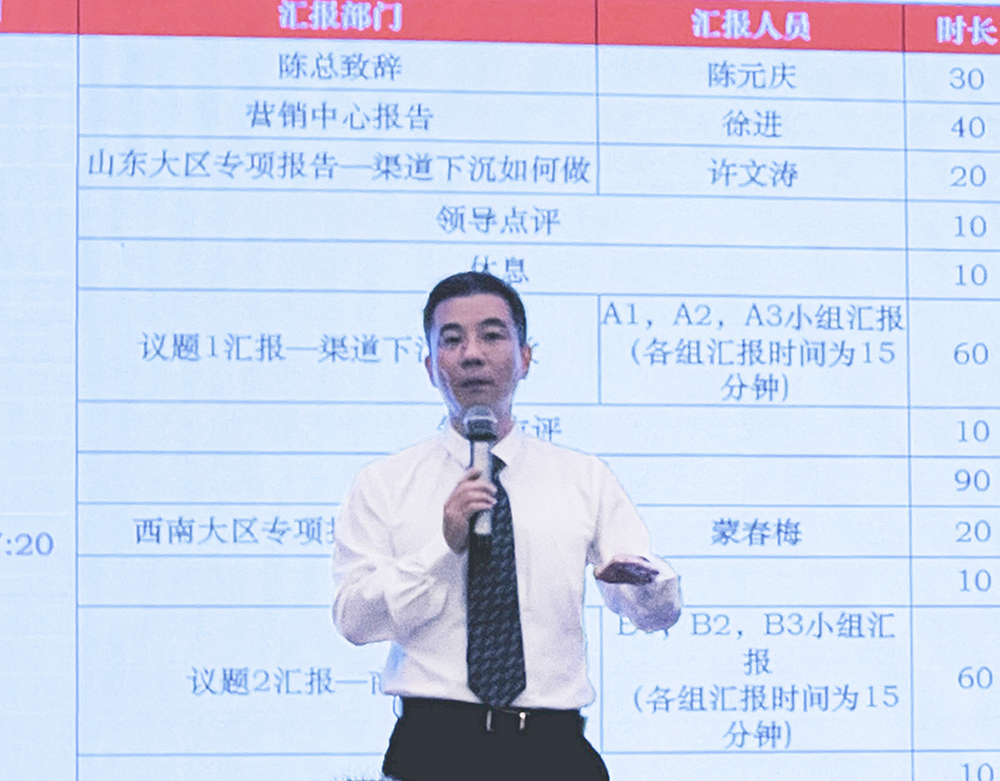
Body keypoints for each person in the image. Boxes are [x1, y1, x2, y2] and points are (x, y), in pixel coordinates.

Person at [332, 272, 681, 781]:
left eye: (492, 336)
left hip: (552, 748)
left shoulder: (584, 478)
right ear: (430, 366)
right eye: (452, 340)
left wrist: (645, 583)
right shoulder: (383, 483)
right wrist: (443, 545)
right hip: (433, 747)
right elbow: (354, 621)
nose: (472, 354)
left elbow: (655, 616)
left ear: (525, 358)